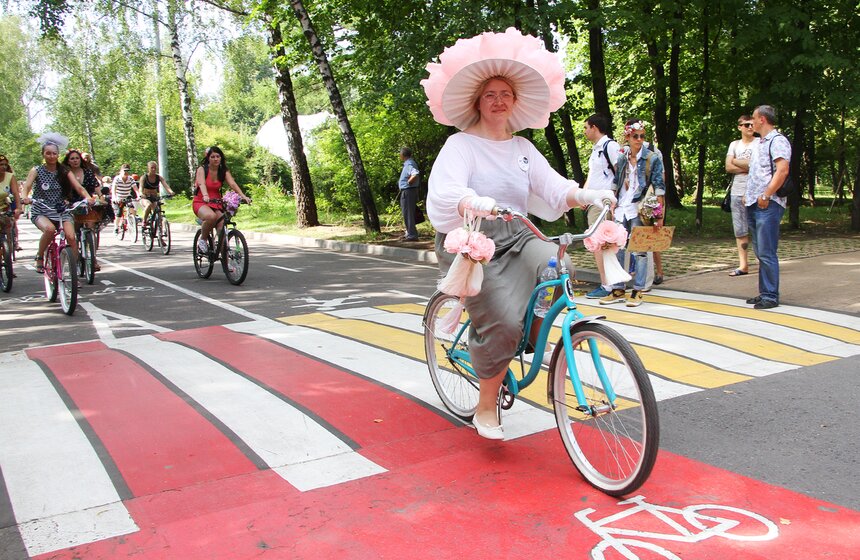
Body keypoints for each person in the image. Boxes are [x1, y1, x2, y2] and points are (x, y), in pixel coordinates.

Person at [422, 28, 616, 440]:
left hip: (518, 231)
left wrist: (588, 195)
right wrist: (472, 201)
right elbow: (445, 191)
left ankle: (533, 331)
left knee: (555, 259)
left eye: (505, 94)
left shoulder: (523, 149)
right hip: (474, 240)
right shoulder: (460, 145)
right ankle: (486, 406)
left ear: (515, 102)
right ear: (478, 101)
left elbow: (553, 187)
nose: (498, 100)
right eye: (490, 94)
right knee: (502, 320)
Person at [600, 119, 665, 308]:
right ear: (627, 137)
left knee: (641, 250)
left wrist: (658, 215)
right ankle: (618, 289)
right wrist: (611, 201)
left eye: (642, 136)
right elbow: (616, 181)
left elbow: (659, 187)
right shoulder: (622, 157)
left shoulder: (652, 158)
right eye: (635, 136)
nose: (639, 139)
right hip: (621, 207)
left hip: (640, 208)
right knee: (617, 248)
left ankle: (638, 290)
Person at [19, 136, 94, 272]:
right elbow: (27, 187)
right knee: (50, 230)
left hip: (60, 209)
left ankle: (74, 269)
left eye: (54, 153)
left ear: (58, 155)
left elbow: (78, 187)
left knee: (71, 236)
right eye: (48, 153)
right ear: (43, 154)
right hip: (42, 209)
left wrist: (88, 197)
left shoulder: (64, 170)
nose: (51, 156)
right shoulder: (36, 170)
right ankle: (40, 256)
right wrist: (25, 198)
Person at [744, 104, 790, 310]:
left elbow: (782, 171)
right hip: (754, 202)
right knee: (760, 250)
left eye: (753, 119)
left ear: (762, 119)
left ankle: (771, 295)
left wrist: (766, 194)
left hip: (768, 203)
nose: (750, 123)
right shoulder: (759, 143)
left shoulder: (777, 141)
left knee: (767, 251)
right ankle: (764, 292)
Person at [582, 114, 621, 299]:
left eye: (586, 127)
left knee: (600, 243)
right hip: (594, 201)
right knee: (596, 243)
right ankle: (608, 282)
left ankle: (607, 285)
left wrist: (613, 199)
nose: (584, 131)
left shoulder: (610, 146)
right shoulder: (596, 149)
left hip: (604, 203)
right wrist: (583, 195)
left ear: (595, 127)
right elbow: (593, 175)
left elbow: (620, 172)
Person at [192, 146, 251, 253]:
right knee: (211, 216)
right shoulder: (202, 169)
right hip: (201, 201)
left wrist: (243, 196)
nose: (215, 159)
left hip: (216, 202)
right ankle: (203, 241)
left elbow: (232, 184)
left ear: (221, 158)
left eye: (218, 156)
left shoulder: (223, 170)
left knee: (222, 225)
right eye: (212, 157)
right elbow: (201, 183)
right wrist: (205, 195)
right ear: (208, 158)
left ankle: (226, 260)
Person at [725, 114, 757, 277]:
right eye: (746, 125)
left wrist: (737, 162)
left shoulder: (760, 143)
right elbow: (728, 167)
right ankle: (743, 265)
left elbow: (757, 166)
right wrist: (747, 166)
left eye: (752, 124)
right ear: (740, 127)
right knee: (740, 229)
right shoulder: (734, 145)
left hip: (755, 191)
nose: (750, 127)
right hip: (737, 191)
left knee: (758, 227)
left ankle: (763, 262)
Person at [63, 149, 104, 270]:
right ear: (68, 161)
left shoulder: (87, 172)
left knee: (90, 226)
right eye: (72, 159)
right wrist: (65, 200)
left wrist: (101, 197)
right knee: (73, 231)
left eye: (77, 158)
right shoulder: (65, 173)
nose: (75, 161)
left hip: (87, 202)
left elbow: (96, 187)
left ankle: (93, 257)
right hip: (71, 204)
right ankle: (75, 258)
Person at [138, 161, 175, 227]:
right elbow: (140, 188)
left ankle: (160, 227)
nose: (153, 169)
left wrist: (171, 192)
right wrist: (141, 194)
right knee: (148, 205)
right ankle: (144, 221)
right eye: (152, 168)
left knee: (157, 209)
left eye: (155, 168)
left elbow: (166, 186)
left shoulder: (159, 177)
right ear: (148, 168)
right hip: (145, 197)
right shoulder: (144, 177)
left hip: (154, 197)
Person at [0, 154, 23, 252]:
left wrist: (18, 208)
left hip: (4, 207)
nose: (4, 167)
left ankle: (9, 248)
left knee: (9, 224)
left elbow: (16, 193)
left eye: (5, 164)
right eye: (1, 164)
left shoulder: (10, 176)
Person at [398, 148, 421, 240]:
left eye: (400, 154)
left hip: (408, 191)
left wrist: (408, 183)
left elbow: (415, 174)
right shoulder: (409, 163)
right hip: (408, 190)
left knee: (407, 212)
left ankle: (412, 235)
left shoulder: (409, 164)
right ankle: (410, 233)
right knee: (408, 212)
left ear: (403, 155)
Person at [111, 165, 138, 234]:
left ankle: (130, 220)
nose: (126, 172)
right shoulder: (117, 179)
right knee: (119, 213)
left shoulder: (130, 179)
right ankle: (116, 227)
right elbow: (114, 189)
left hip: (127, 196)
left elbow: (135, 188)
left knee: (132, 208)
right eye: (124, 171)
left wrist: (139, 195)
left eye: (127, 171)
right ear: (120, 171)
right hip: (118, 197)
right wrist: (114, 197)